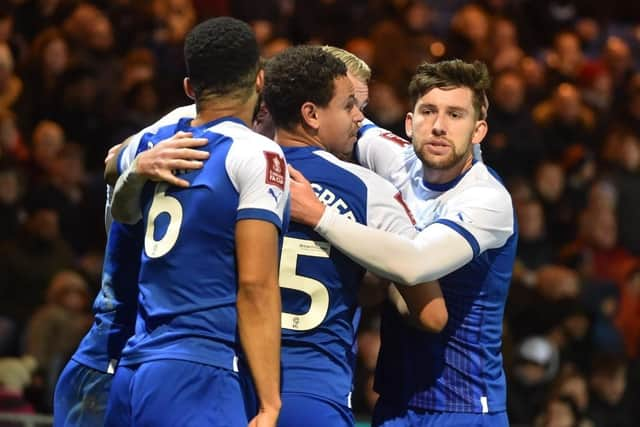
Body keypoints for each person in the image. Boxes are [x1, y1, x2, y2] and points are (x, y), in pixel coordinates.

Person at [289, 59, 517, 426]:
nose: (440, 126)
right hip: (394, 402)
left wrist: (320, 216)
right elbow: (331, 116)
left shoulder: (487, 199)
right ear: (410, 123)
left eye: (456, 115)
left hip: (463, 407)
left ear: (478, 131)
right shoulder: (396, 158)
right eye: (428, 112)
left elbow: (414, 264)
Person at [103, 17, 288, 427]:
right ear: (260, 81)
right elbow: (256, 286)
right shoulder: (258, 153)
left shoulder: (157, 143)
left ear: (190, 88)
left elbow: (111, 162)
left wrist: (130, 166)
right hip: (198, 372)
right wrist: (270, 402)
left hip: (133, 371)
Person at [261, 45, 446, 427]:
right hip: (315, 392)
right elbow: (432, 313)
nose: (360, 119)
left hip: (232, 385)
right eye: (349, 106)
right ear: (311, 114)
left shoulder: (229, 166)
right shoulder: (367, 189)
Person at [52, 109, 206, 427]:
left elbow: (114, 161)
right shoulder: (182, 134)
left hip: (147, 365)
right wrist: (135, 165)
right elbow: (113, 161)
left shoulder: (175, 139)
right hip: (113, 359)